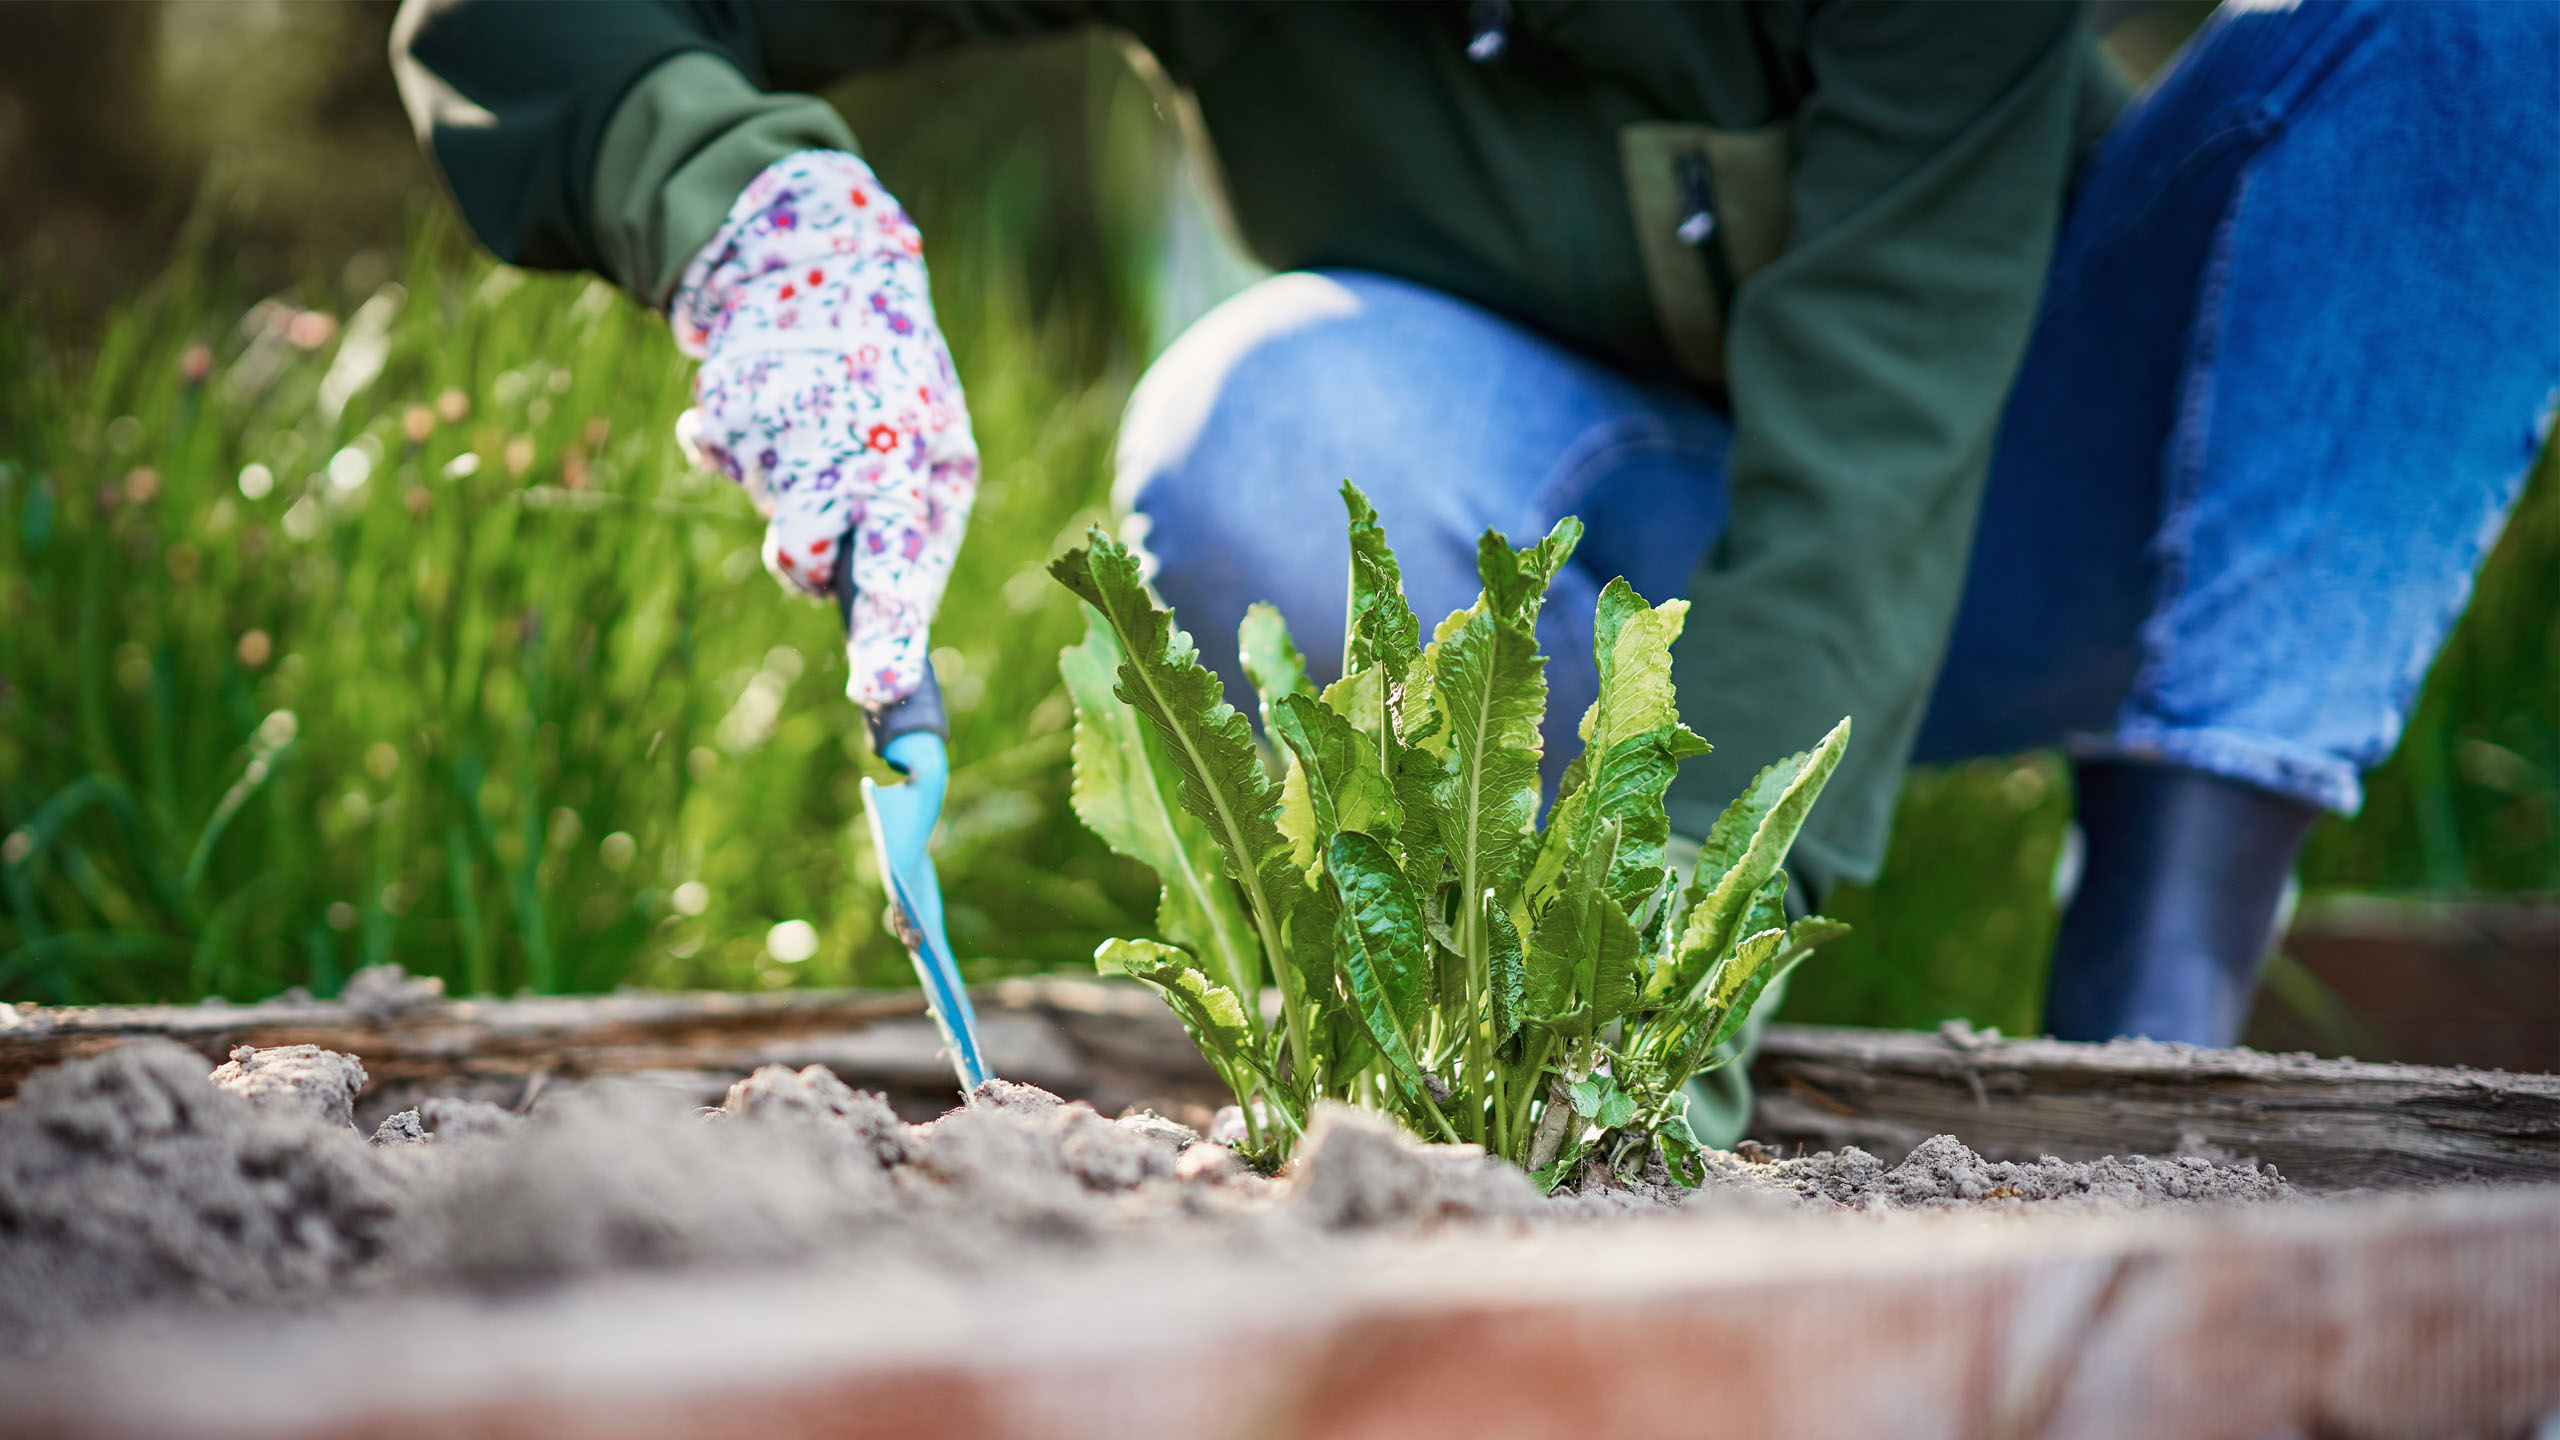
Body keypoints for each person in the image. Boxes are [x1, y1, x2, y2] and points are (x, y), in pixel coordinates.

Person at [393, 0, 2558, 1141]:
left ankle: (2159, 1012)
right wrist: (742, 207)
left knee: (2472, 29)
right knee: (1261, 430)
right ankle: (1433, 1028)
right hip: (1610, 521)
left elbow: (1868, 462)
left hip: (2034, 510)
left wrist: (1660, 1007)